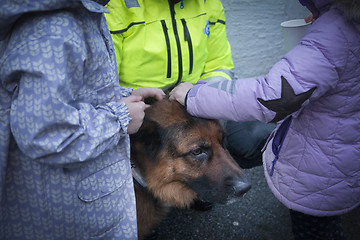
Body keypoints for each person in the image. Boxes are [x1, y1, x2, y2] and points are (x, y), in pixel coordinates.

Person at [169, 0, 360, 239]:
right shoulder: (344, 23)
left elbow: (272, 96)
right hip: (343, 149)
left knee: (316, 229)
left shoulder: (336, 31)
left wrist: (194, 95)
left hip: (322, 166)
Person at [0, 0, 164, 239]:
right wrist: (119, 118)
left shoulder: (81, 13)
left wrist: (123, 97)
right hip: (68, 214)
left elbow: (76, 91)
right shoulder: (54, 29)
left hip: (84, 202)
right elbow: (45, 133)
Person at [103, 0, 275, 172]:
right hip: (144, 115)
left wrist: (202, 98)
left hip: (197, 103)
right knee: (166, 161)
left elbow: (218, 64)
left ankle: (205, 191)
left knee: (256, 135)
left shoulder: (209, 3)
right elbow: (101, 84)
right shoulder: (115, 5)